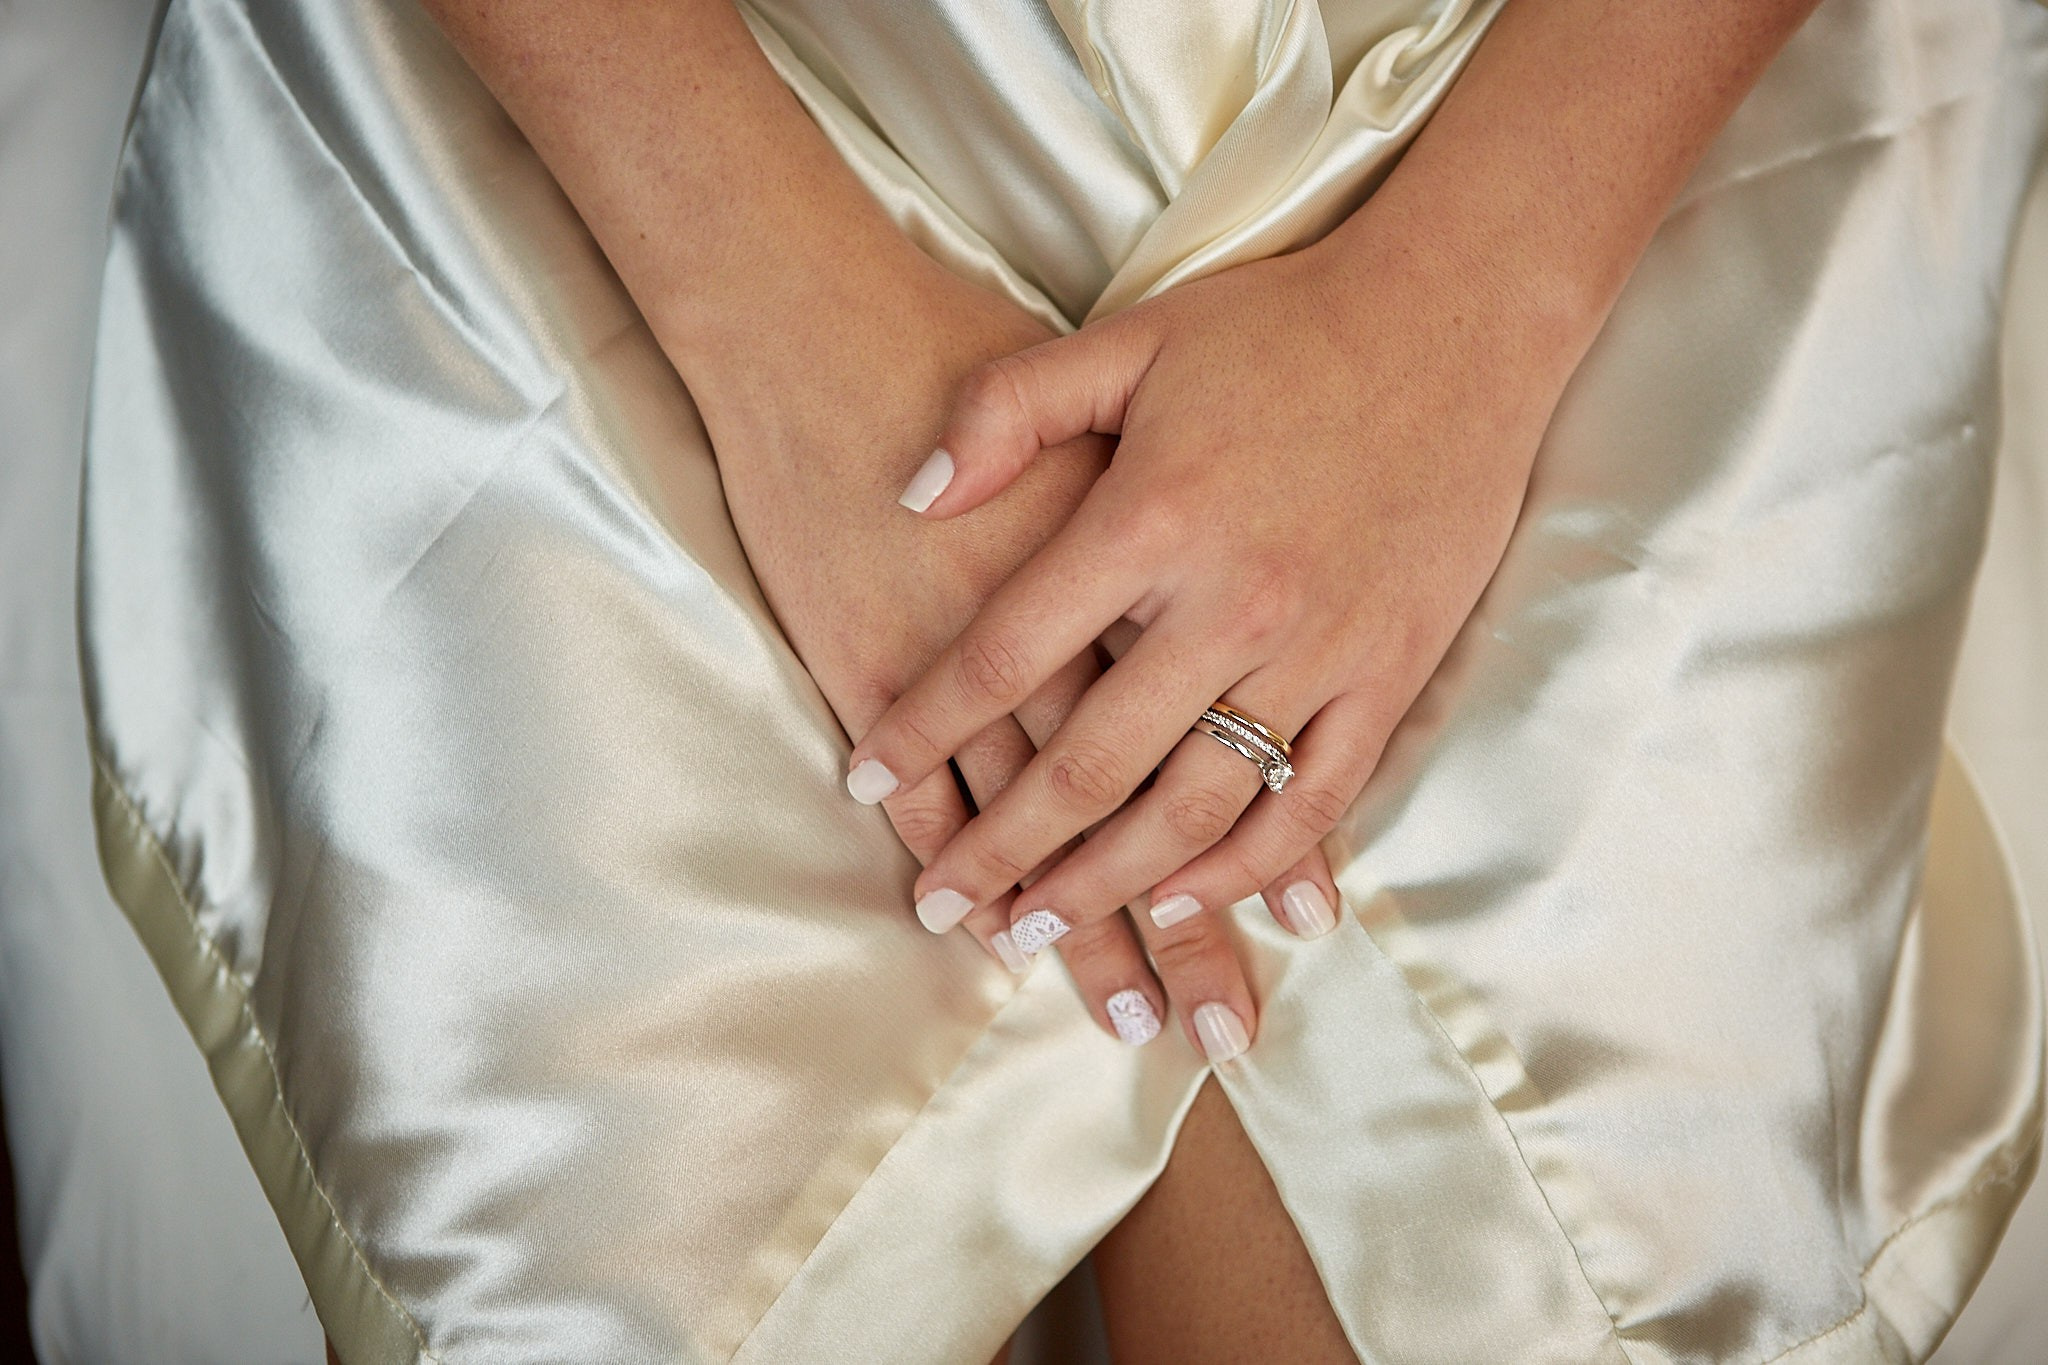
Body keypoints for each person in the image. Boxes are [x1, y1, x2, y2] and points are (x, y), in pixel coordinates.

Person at [78, 0, 2048, 1360]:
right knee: (660, 1178)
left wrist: (1477, 297)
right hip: (631, 88)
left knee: (1487, 1204)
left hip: (1584, 94)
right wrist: (761, 302)